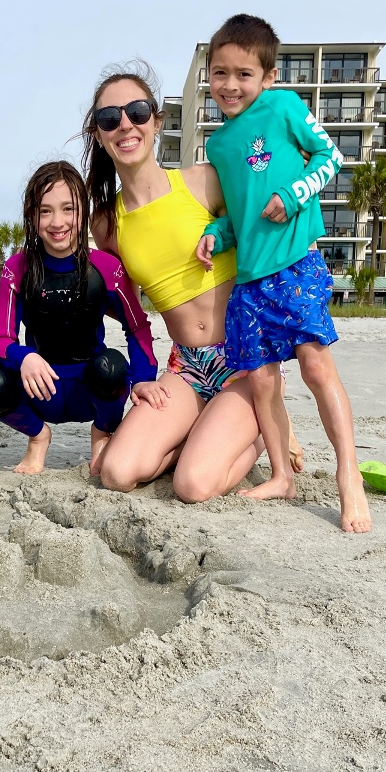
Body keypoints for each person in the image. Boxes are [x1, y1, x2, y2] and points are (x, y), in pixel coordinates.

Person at [83, 63, 301, 502]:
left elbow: (268, 239)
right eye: (109, 118)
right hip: (186, 366)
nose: (125, 125)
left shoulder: (205, 181)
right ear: (99, 135)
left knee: (193, 486)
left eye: (137, 111)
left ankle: (263, 429)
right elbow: (126, 311)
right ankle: (202, 432)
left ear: (156, 121)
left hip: (244, 360)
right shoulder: (106, 222)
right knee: (117, 473)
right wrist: (134, 383)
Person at [195, 13, 371, 533]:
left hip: (295, 264)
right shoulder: (219, 145)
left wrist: (293, 195)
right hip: (249, 281)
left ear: (268, 76)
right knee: (262, 381)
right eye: (220, 73)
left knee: (315, 366)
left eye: (243, 74)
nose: (230, 85)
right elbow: (240, 212)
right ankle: (281, 475)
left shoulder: (284, 106)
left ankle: (348, 473)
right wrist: (217, 234)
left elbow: (330, 157)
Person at [0, 160, 157, 474]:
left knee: (112, 367)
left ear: (82, 212)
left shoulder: (106, 267)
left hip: (91, 390)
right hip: (39, 388)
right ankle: (38, 437)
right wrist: (25, 357)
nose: (57, 222)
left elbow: (137, 327)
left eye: (68, 209)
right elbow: (0, 340)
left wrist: (143, 379)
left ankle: (102, 434)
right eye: (45, 211)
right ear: (31, 215)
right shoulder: (17, 268)